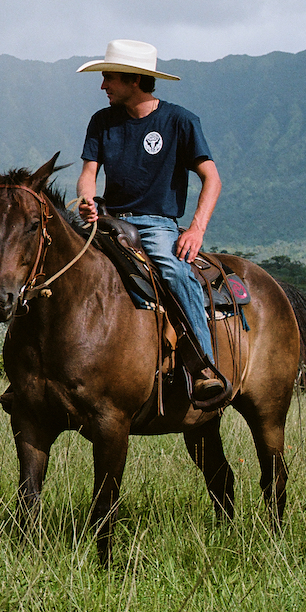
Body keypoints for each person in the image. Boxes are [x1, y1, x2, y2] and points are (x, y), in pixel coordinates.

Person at [73, 38, 229, 410]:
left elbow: (213, 178)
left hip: (156, 225)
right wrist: (86, 201)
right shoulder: (102, 121)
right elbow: (87, 174)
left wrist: (195, 229)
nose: (103, 85)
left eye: (109, 77)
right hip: (108, 219)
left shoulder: (180, 121)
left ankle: (203, 365)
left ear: (134, 80)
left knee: (175, 275)